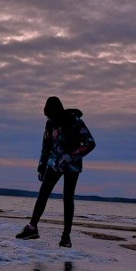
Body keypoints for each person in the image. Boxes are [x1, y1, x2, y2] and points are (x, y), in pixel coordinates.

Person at [16, 96, 96, 248]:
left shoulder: (75, 122)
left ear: (57, 111)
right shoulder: (49, 124)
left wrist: (71, 155)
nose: (49, 118)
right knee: (43, 193)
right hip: (54, 165)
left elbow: (90, 143)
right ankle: (32, 228)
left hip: (72, 166)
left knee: (68, 198)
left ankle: (66, 237)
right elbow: (46, 146)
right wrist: (41, 166)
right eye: (47, 115)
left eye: (50, 115)